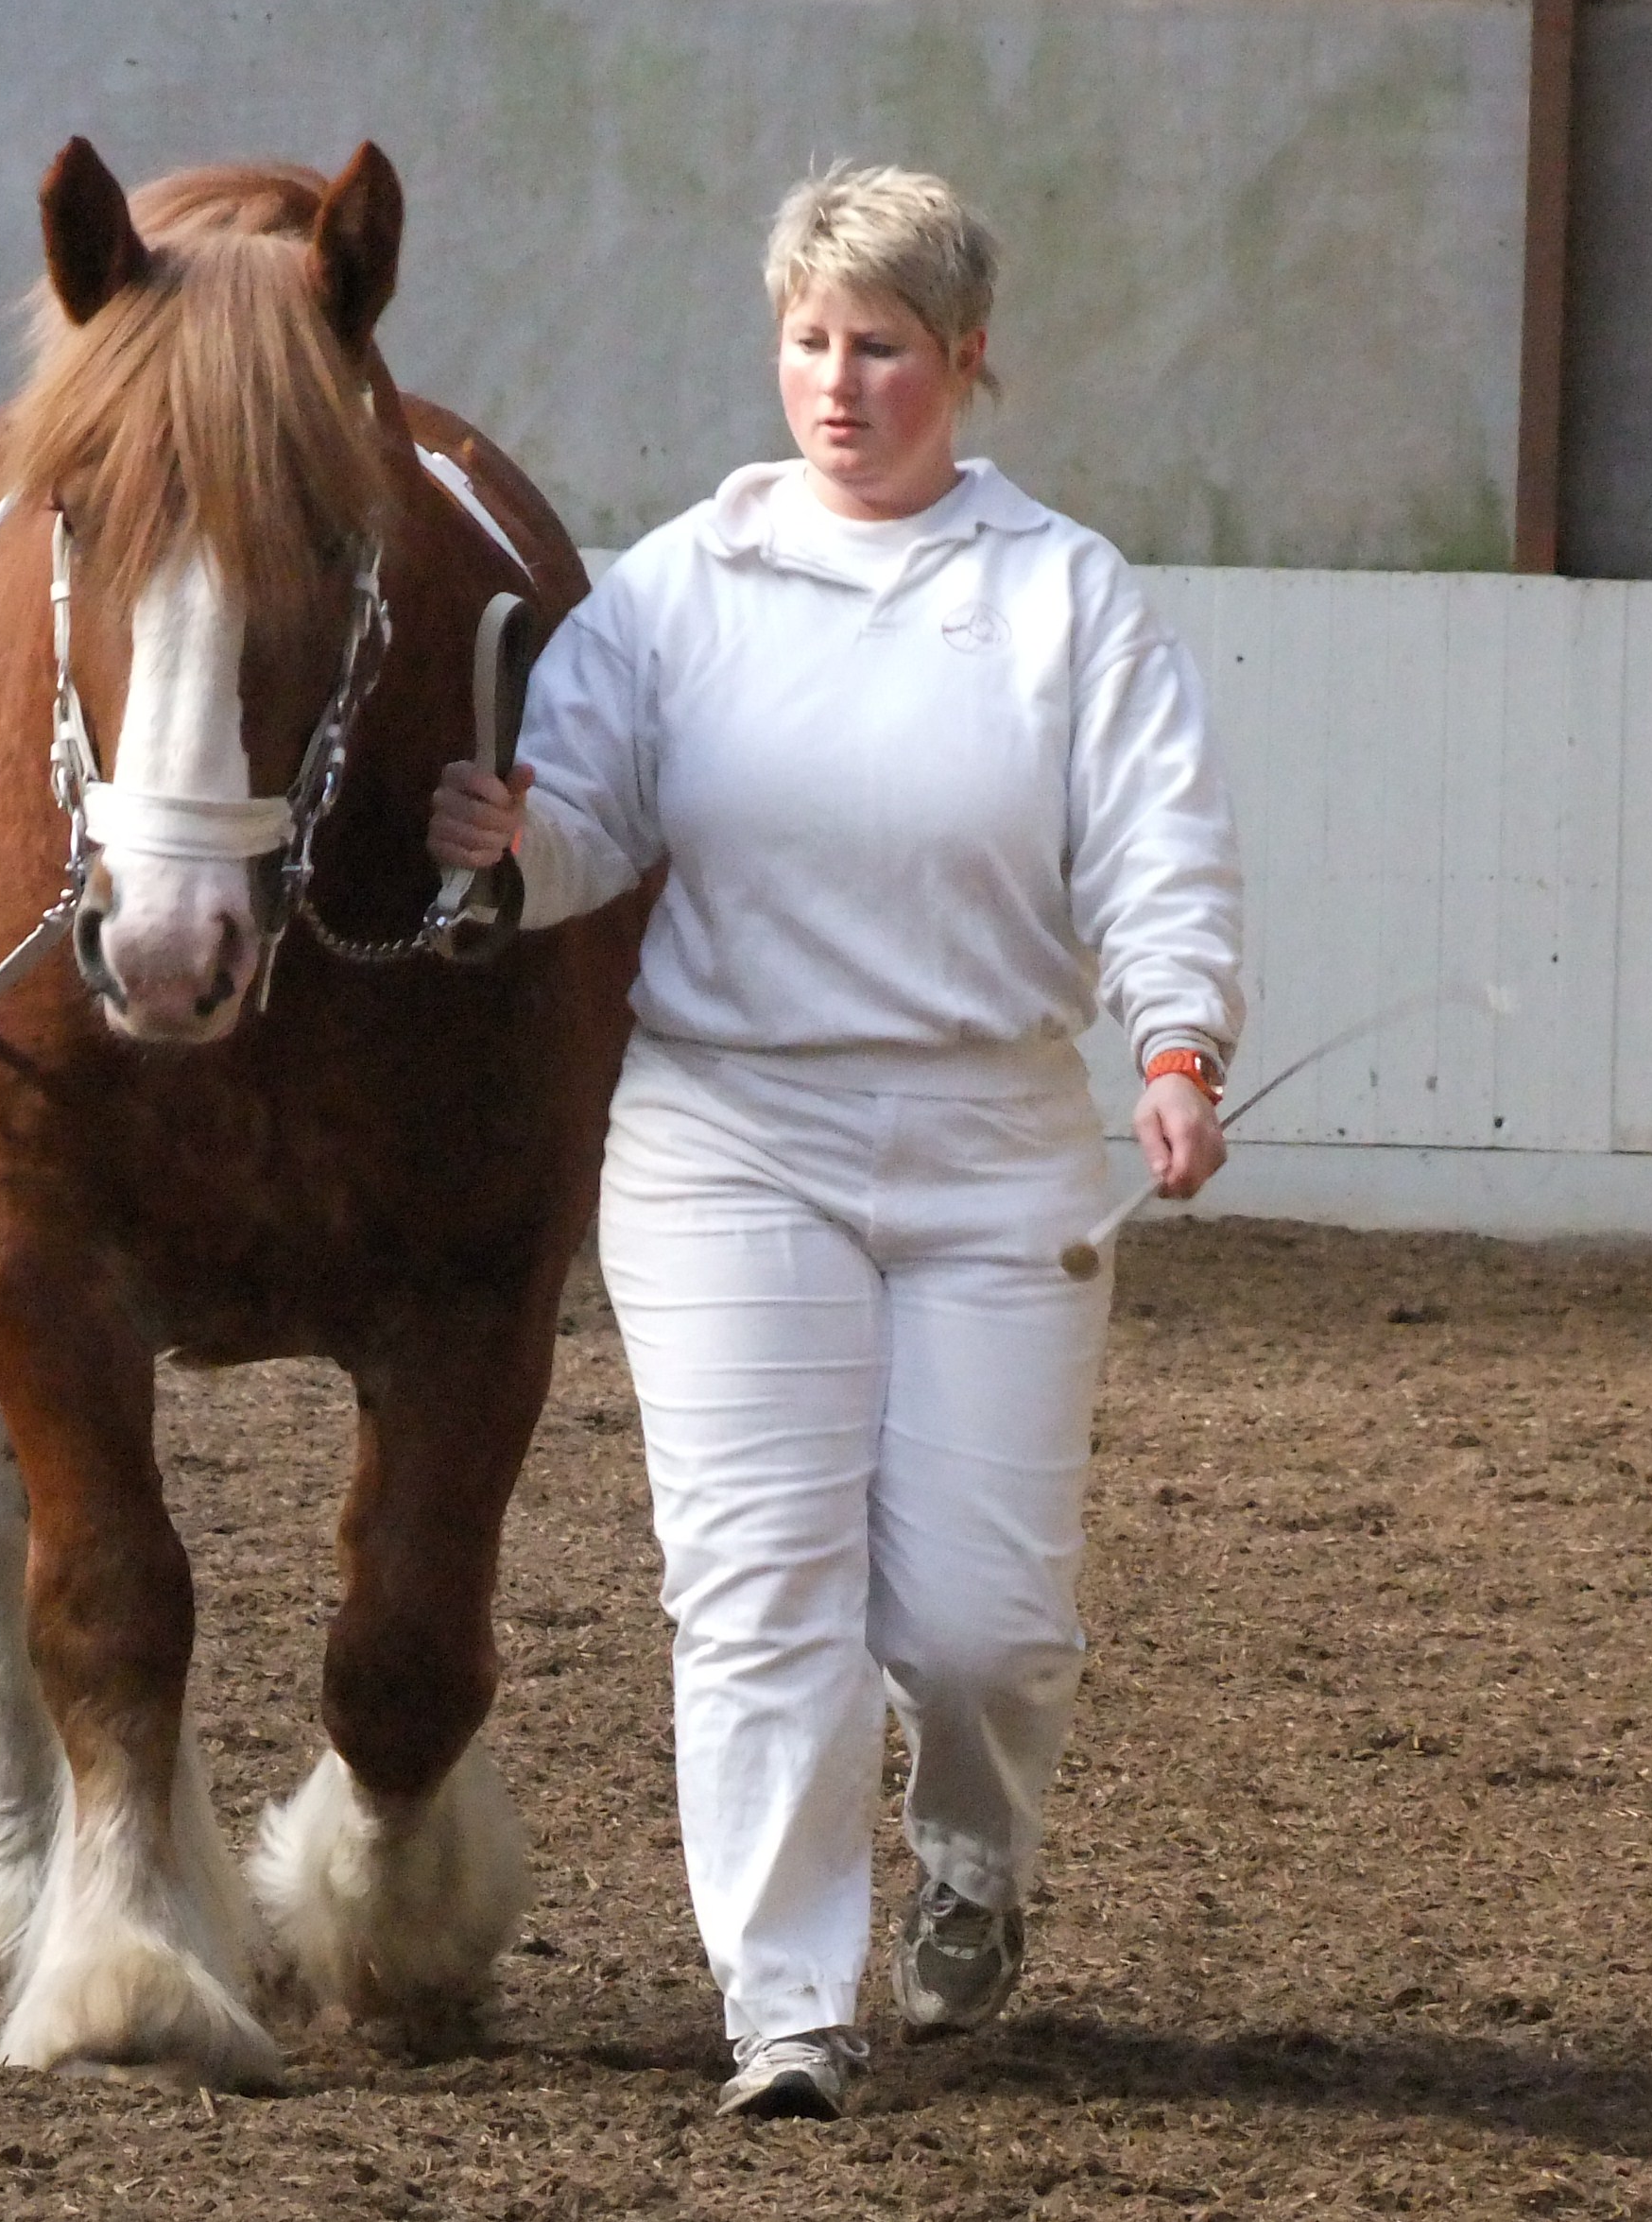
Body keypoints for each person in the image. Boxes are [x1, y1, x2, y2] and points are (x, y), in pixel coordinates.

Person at [428, 164, 1245, 2121]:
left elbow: (1158, 842)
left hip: (997, 1137)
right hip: (732, 1130)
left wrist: (1178, 1036)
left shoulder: (1066, 595)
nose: (840, 382)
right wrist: (513, 844)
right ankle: (785, 1997)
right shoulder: (680, 588)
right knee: (760, 1580)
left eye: (881, 346)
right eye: (809, 341)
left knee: (980, 1623)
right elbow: (594, 819)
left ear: (966, 361)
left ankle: (971, 1842)